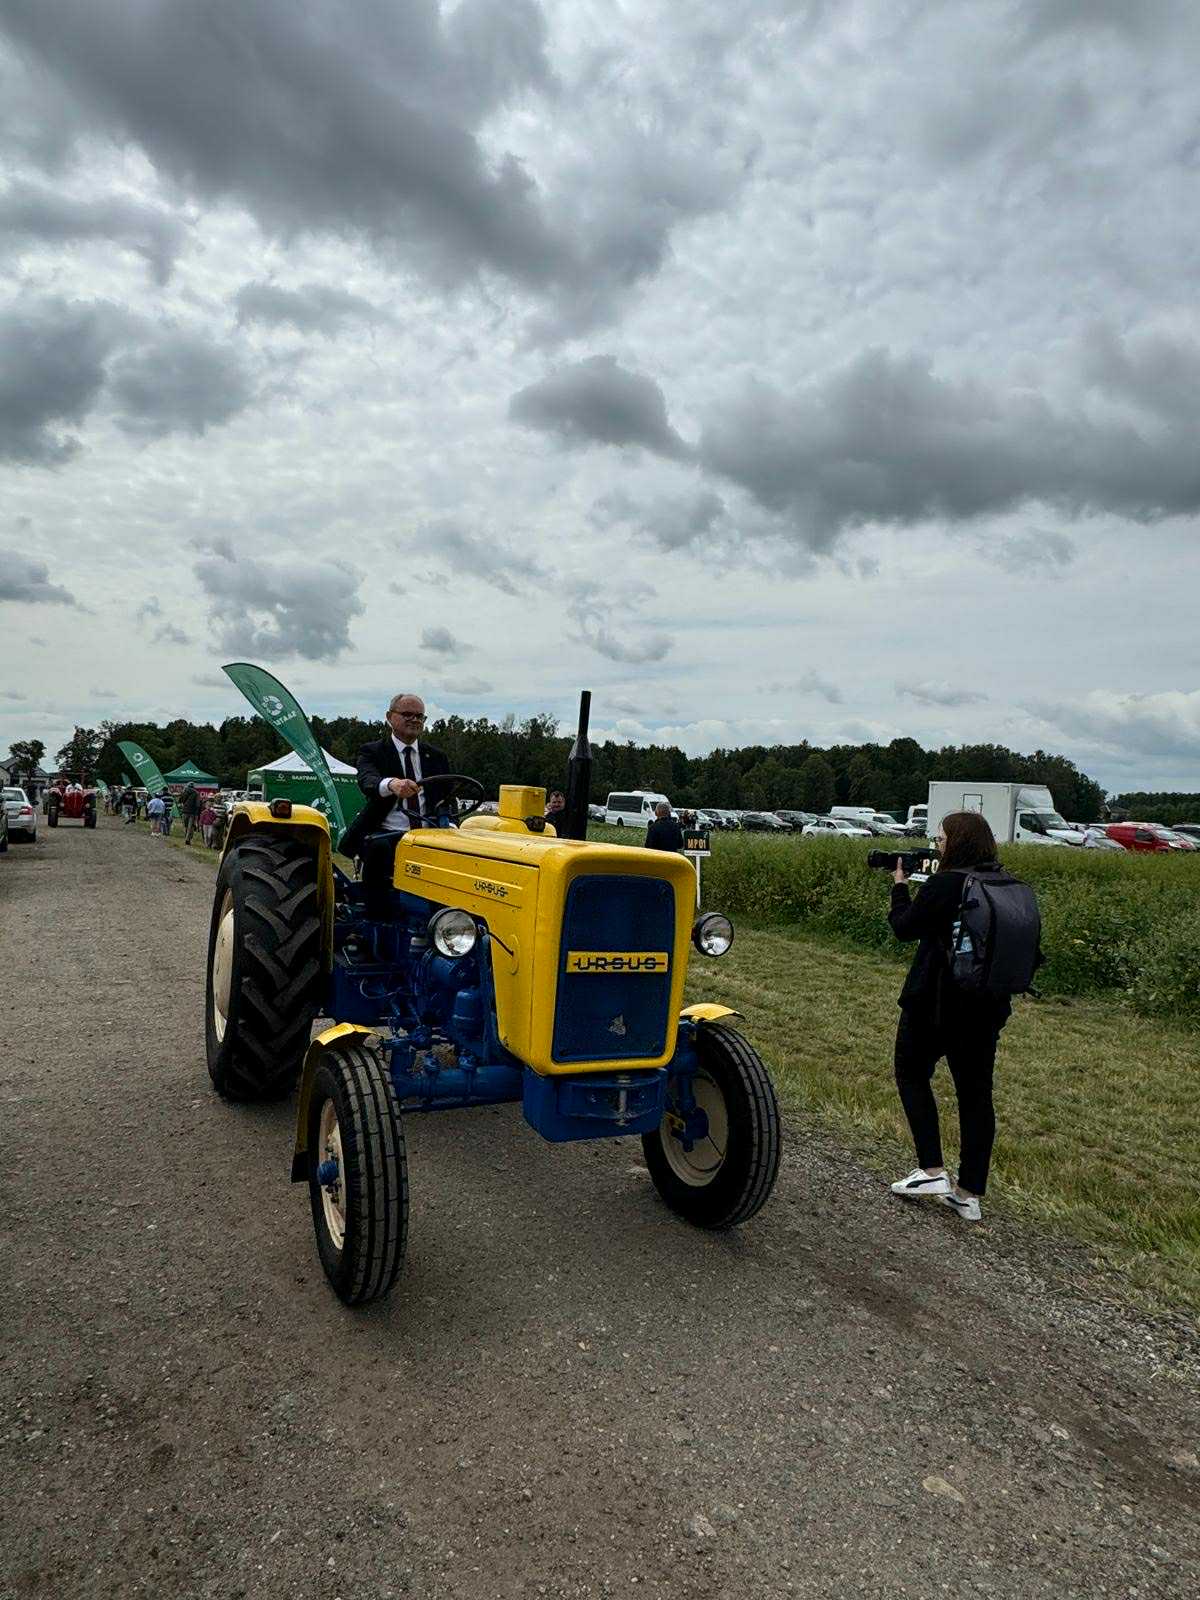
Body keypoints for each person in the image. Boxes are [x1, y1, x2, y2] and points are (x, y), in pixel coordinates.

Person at [886, 810, 1033, 1223]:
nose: (938, 845)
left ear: (957, 842)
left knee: (911, 1073)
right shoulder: (1004, 883)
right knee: (976, 1095)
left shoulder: (946, 883)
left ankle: (932, 1170)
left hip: (935, 1002)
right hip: (987, 1006)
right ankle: (969, 1193)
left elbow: (904, 928)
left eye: (941, 838)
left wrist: (900, 888)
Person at [342, 693, 452, 917]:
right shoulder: (372, 751)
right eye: (407, 714)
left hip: (429, 835)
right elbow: (367, 780)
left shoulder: (436, 757)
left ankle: (452, 918)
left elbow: (447, 795)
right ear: (389, 717)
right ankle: (377, 917)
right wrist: (391, 784)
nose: (414, 720)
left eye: (419, 716)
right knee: (379, 849)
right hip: (388, 833)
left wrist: (451, 823)